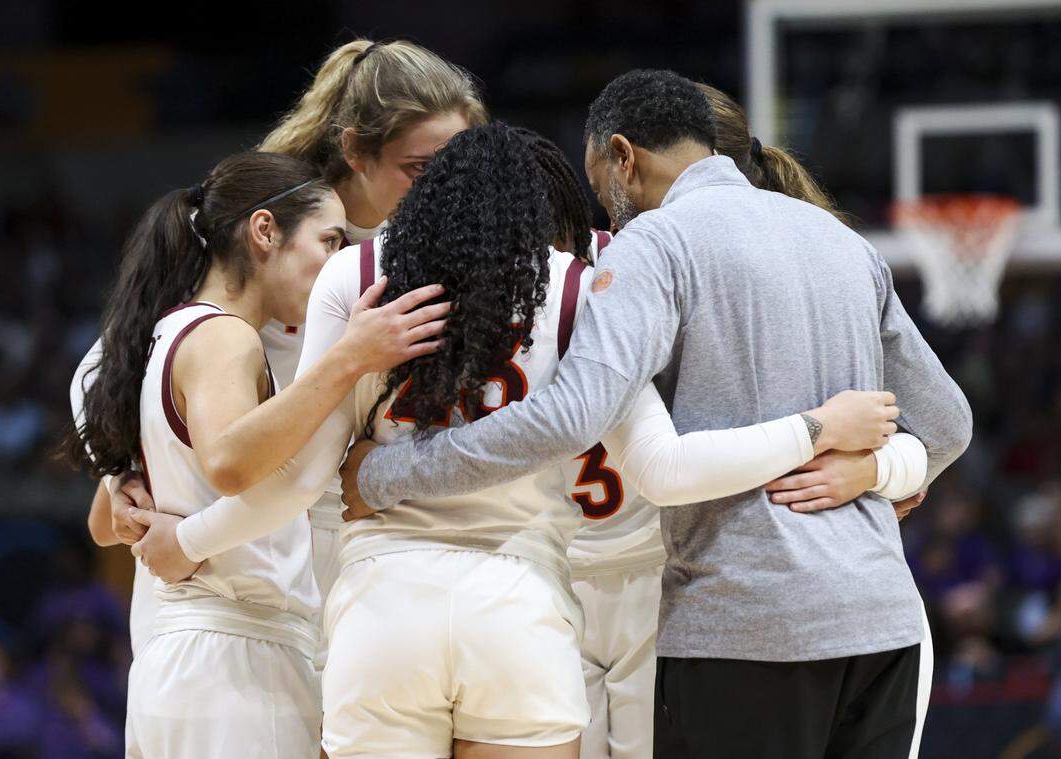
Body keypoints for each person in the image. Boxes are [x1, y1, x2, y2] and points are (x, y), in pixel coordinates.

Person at [132, 123, 915, 757]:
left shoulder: (358, 273)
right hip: (521, 603)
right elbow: (665, 468)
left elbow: (305, 480)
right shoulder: (583, 285)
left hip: (383, 606)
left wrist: (193, 536)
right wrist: (833, 435)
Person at [339, 71, 973, 759]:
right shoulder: (844, 242)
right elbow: (948, 424)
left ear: (623, 157)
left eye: (598, 181)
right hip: (882, 622)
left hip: (744, 621)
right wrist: (876, 470)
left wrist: (391, 472)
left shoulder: (656, 243)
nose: (606, 218)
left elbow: (569, 418)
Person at [75, 36, 487, 662]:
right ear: (355, 150)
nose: (445, 191)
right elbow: (101, 368)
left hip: (333, 530)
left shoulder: (439, 244)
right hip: (212, 551)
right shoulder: (265, 222)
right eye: (420, 169)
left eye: (459, 168)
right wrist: (119, 471)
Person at [66, 150, 446, 757]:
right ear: (265, 231)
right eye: (327, 241)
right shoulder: (224, 336)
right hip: (233, 659)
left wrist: (136, 506)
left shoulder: (165, 331)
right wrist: (351, 356)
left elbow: (102, 522)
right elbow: (229, 462)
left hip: (179, 659)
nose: (334, 264)